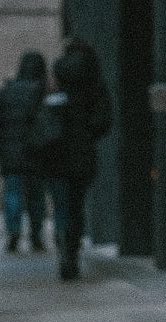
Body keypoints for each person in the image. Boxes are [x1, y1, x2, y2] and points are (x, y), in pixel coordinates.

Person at [33, 38, 114, 280]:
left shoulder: (54, 81)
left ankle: (62, 245)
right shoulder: (95, 84)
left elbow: (37, 116)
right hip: (81, 152)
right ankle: (72, 249)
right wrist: (88, 133)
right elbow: (104, 120)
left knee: (60, 204)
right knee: (76, 206)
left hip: (54, 153)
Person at [0, 51, 49, 254]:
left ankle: (13, 231)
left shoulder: (5, 93)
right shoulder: (42, 93)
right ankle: (36, 235)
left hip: (10, 154)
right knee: (37, 196)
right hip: (37, 153)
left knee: (13, 194)